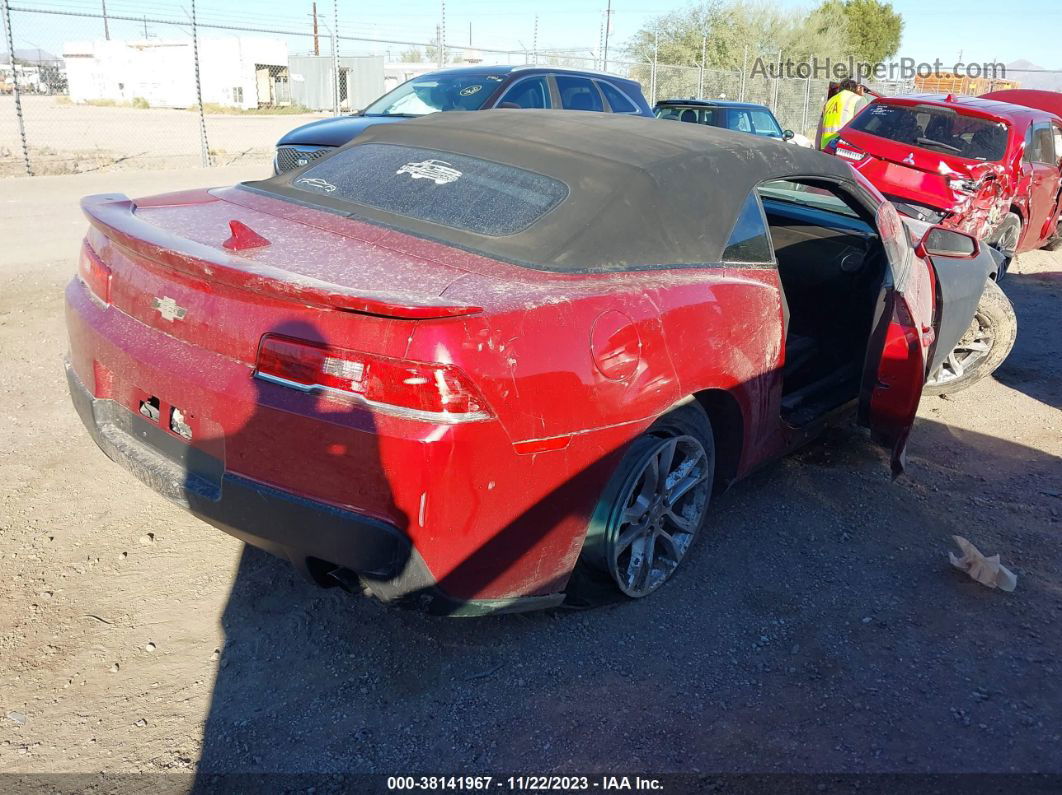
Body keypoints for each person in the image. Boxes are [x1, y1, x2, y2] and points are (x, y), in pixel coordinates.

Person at [817, 79, 869, 150]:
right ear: (855, 89)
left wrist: (817, 149)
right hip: (842, 148)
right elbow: (861, 127)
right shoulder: (858, 99)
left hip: (825, 147)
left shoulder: (829, 102)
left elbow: (819, 129)